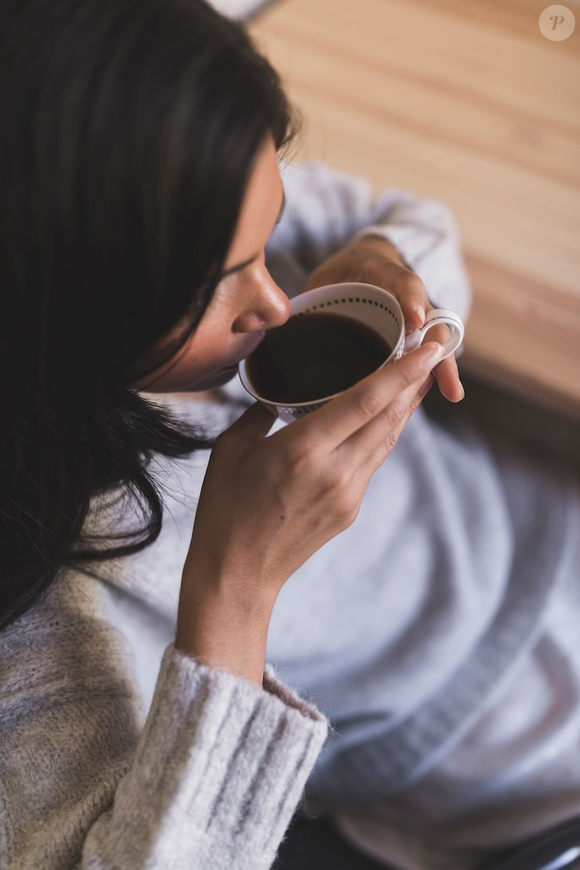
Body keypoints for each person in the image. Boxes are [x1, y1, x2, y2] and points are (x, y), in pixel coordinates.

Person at [2, 3, 579, 870]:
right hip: (488, 752)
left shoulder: (194, 183)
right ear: (51, 311)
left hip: (539, 514)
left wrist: (384, 259)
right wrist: (234, 590)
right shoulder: (50, 603)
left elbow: (399, 212)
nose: (274, 304)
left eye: (270, 241)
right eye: (214, 286)